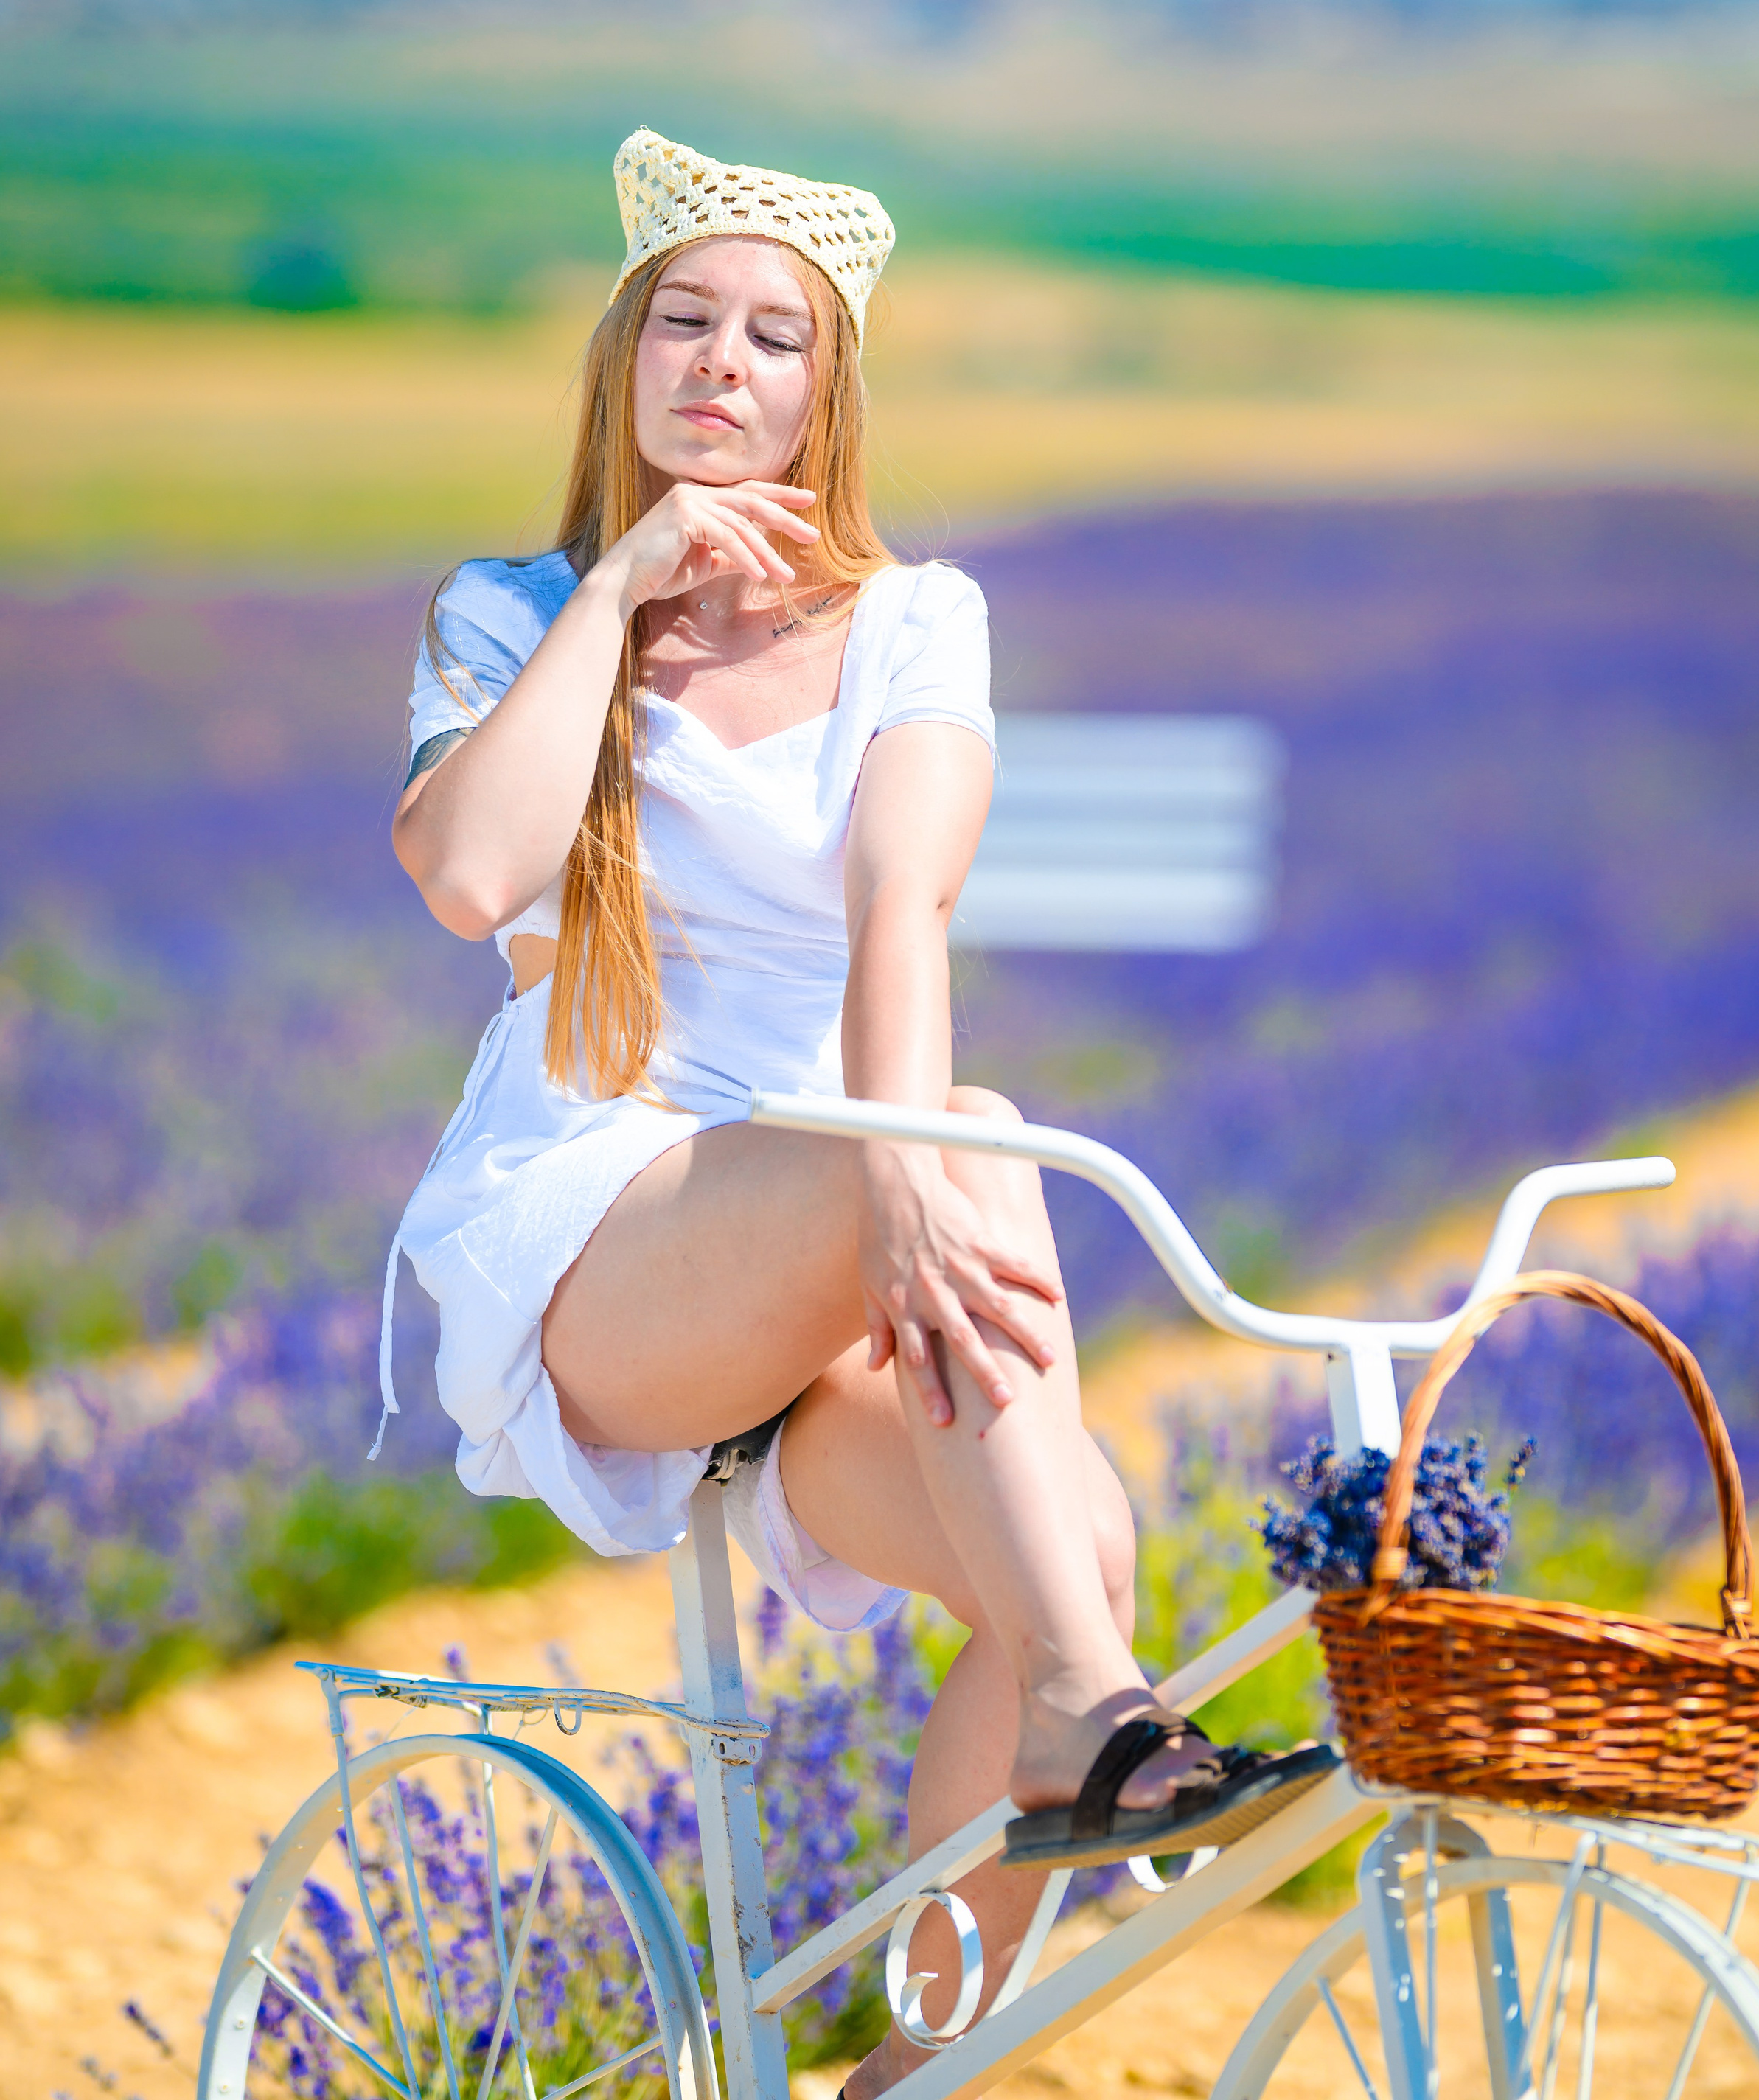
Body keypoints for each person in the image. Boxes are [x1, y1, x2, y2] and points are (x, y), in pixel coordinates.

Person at [384, 128, 1331, 2096]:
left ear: (832, 391)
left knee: (1070, 1526)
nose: (724, 365)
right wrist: (625, 576)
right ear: (624, 358)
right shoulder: (507, 610)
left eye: (775, 339)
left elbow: (907, 904)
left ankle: (912, 2068)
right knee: (951, 1144)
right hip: (606, 1234)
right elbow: (473, 875)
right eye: (684, 323)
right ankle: (1095, 1716)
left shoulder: (916, 623)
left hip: (848, 1210)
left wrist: (899, 1176)